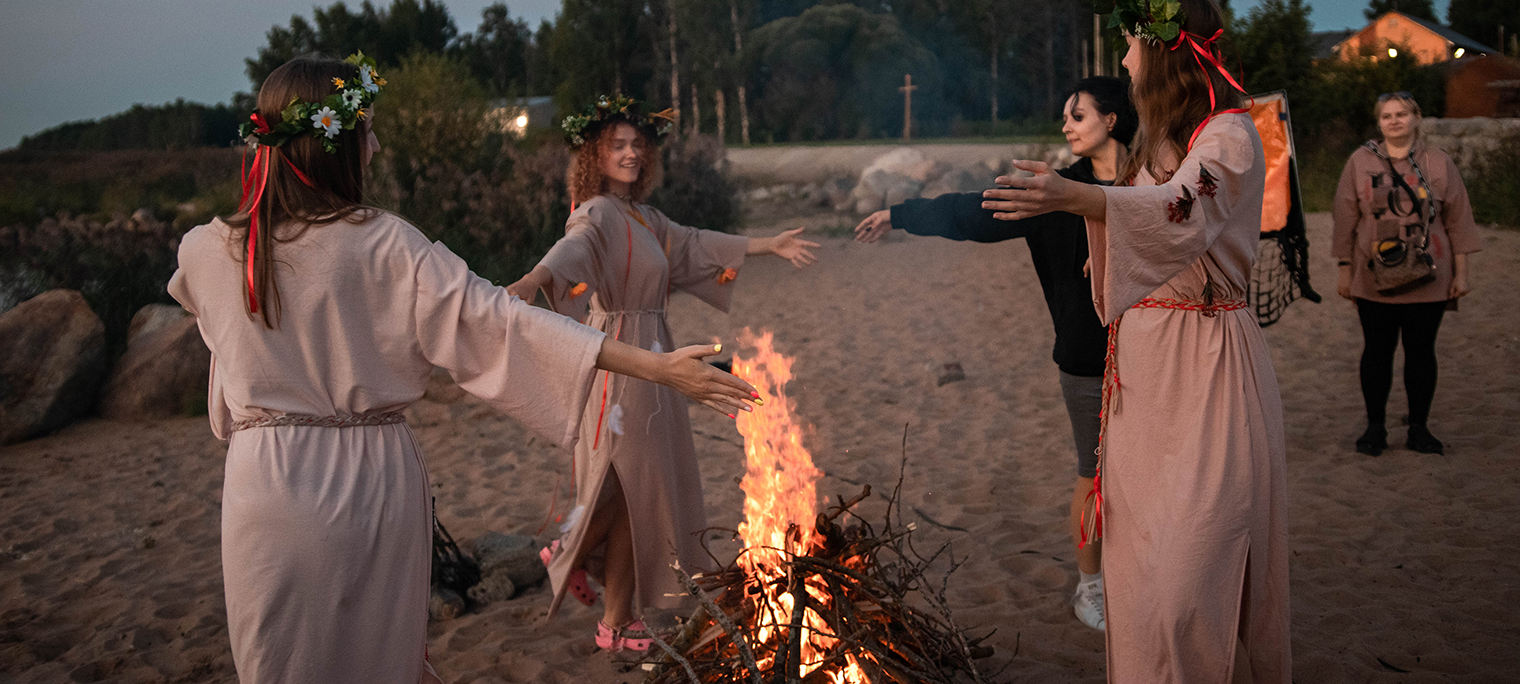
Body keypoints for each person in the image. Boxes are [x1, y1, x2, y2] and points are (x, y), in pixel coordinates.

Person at [167, 57, 756, 684]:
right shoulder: (386, 243)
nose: (377, 143)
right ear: (335, 145)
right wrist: (659, 369)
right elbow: (507, 325)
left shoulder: (203, 249)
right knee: (377, 661)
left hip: (265, 480)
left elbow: (219, 335)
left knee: (276, 662)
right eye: (366, 130)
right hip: (369, 477)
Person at [983, 0, 1290, 683]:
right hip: (1144, 370)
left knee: (1193, 563)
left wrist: (1080, 196)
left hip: (1208, 359)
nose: (1122, 64)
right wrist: (1079, 198)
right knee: (1144, 559)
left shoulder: (1232, 135)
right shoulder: (1155, 143)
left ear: (1164, 48)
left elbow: (1177, 211)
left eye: (1128, 47)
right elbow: (1136, 212)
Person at [507, 96, 819, 654]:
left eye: (637, 146)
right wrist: (535, 279)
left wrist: (768, 244)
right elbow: (572, 248)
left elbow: (696, 244)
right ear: (594, 155)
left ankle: (616, 620)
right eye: (617, 145)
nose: (630, 154)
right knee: (623, 480)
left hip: (661, 360)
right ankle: (570, 549)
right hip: (618, 357)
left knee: (642, 496)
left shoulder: (646, 218)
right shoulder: (597, 211)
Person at [853, 75, 1137, 632]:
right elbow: (974, 213)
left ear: (1112, 121)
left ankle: (1144, 571)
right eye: (1065, 116)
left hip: (1159, 353)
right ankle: (1091, 585)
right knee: (1096, 474)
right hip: (1086, 358)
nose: (1065, 125)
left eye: (1077, 115)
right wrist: (900, 214)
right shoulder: (1052, 191)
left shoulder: (1154, 183)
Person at [1332, 91, 1480, 456]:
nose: (1394, 121)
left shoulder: (1438, 162)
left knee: (1420, 351)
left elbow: (1459, 219)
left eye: (1401, 114)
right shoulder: (1360, 161)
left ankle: (1419, 428)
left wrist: (1461, 274)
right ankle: (1375, 428)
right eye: (1387, 116)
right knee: (1377, 351)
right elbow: (1345, 220)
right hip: (1372, 274)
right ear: (1378, 121)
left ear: (1416, 117)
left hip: (1430, 275)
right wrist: (1344, 270)